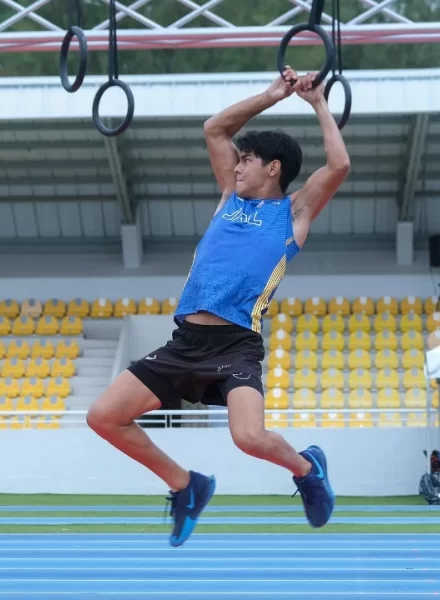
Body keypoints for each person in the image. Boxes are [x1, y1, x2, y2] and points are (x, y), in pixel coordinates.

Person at [86, 67, 350, 547]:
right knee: (103, 416)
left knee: (249, 438)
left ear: (273, 168)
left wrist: (317, 104)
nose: (237, 166)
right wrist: (272, 95)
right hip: (184, 342)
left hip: (235, 344)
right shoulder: (228, 198)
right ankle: (187, 485)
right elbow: (214, 128)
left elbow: (338, 167)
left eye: (247, 160)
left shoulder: (293, 213)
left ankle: (307, 468)